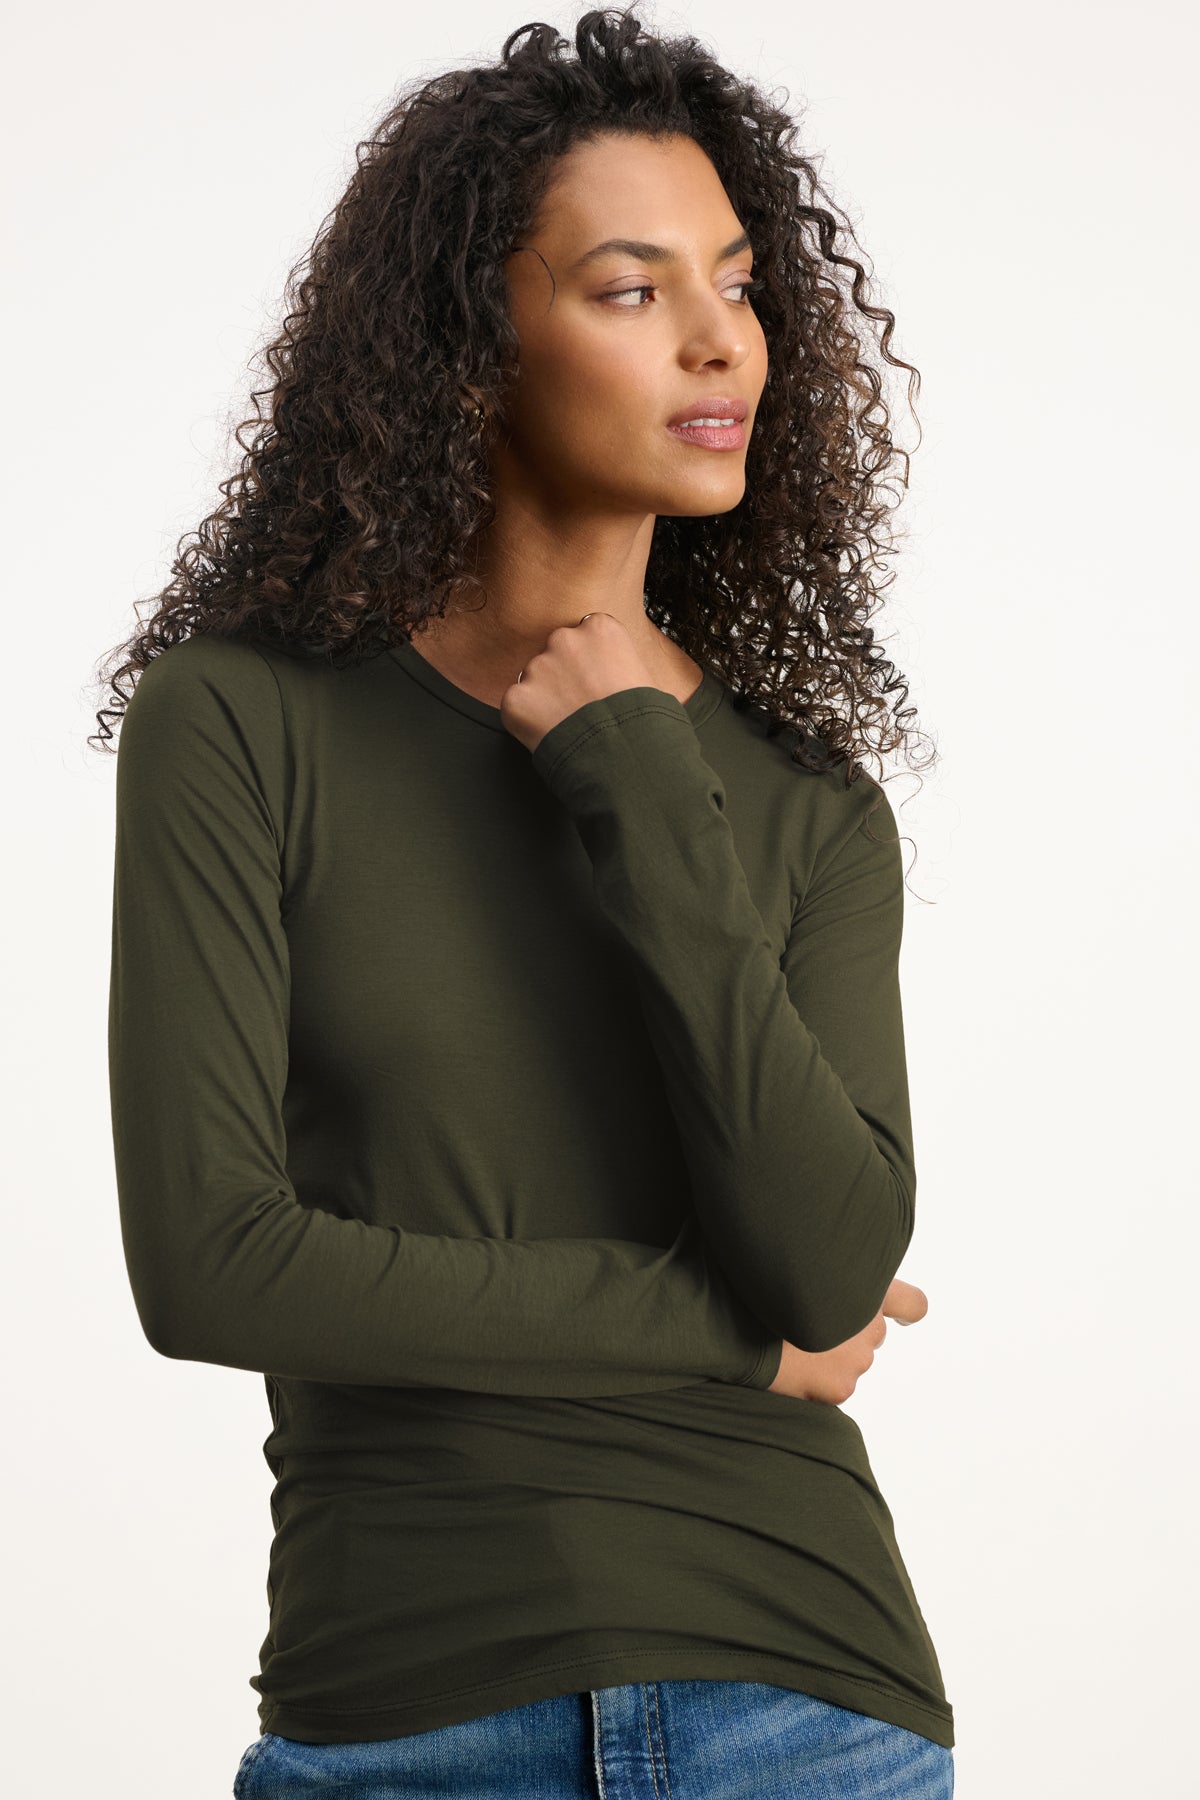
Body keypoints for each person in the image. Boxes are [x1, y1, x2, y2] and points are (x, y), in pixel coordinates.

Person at [94, 8, 954, 1796]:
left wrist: (638, 770)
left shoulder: (804, 807)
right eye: (632, 290)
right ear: (471, 349)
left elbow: (831, 1254)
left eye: (735, 278)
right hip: (408, 1701)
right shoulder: (244, 723)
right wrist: (739, 1341)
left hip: (805, 1701)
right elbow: (214, 1263)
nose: (724, 339)